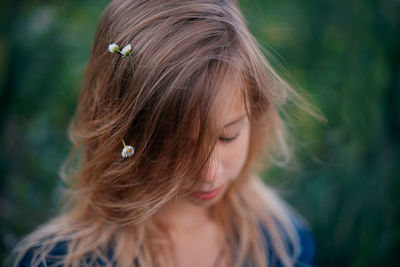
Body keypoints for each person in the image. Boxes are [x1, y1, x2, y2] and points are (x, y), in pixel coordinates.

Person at [7, 0, 326, 266]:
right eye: (177, 148)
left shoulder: (284, 244)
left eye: (227, 136)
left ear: (255, 114)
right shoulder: (58, 260)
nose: (209, 173)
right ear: (122, 133)